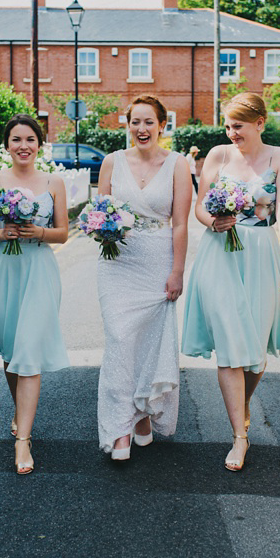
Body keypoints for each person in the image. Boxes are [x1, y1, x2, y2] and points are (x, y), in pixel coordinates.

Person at [181, 92, 280, 471]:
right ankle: (239, 436)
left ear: (260, 123)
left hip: (262, 254)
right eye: (228, 126)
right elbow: (199, 205)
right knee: (231, 345)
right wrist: (212, 221)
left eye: (239, 126)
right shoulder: (217, 156)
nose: (232, 133)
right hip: (220, 256)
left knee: (255, 351)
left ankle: (243, 401)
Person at [0, 114, 69, 474]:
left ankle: (23, 441)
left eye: (29, 139)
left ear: (39, 144)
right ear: (6, 145)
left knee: (28, 348)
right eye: (16, 140)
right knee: (11, 351)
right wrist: (5, 232)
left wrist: (35, 233)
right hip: (3, 270)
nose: (23, 146)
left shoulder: (53, 181)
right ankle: (20, 411)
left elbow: (62, 233)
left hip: (39, 270)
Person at [96, 95, 192, 460]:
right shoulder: (111, 162)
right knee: (120, 340)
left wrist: (177, 271)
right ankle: (120, 430)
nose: (141, 129)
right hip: (117, 262)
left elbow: (181, 223)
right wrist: (100, 227)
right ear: (127, 125)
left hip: (157, 261)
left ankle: (141, 415)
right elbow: (99, 210)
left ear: (162, 125)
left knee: (149, 342)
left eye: (149, 122)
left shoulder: (178, 165)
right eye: (135, 122)